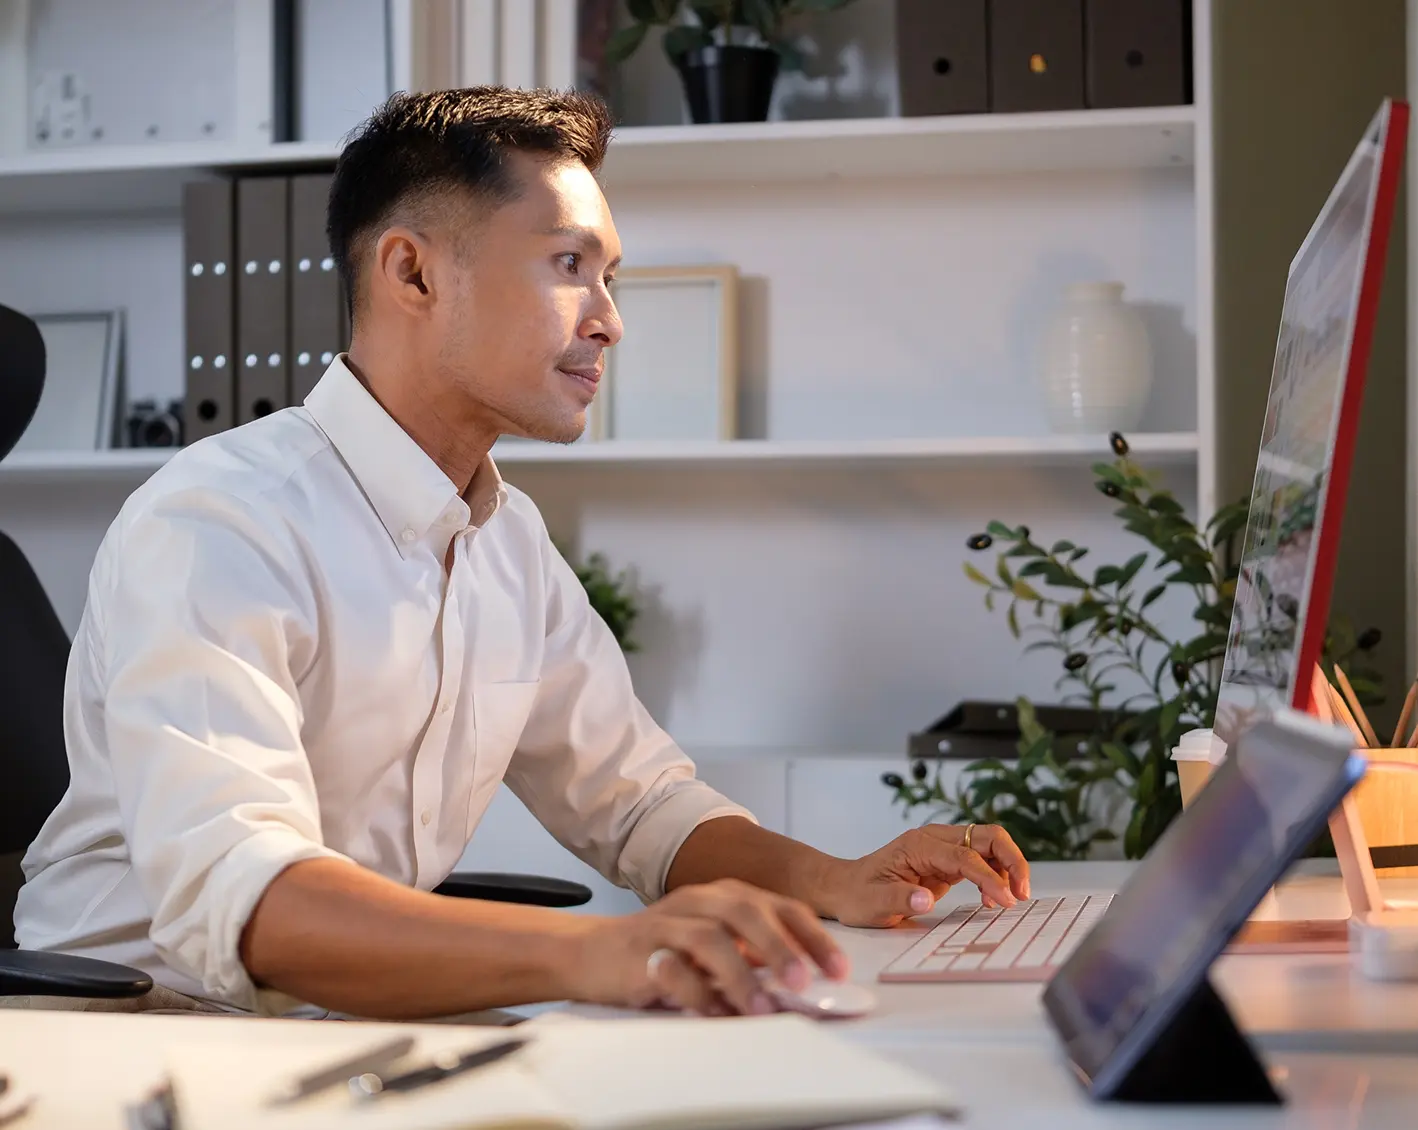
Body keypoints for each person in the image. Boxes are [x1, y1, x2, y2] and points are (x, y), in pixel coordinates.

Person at [12, 86, 1029, 1023]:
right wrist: (598, 954)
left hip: (339, 1031)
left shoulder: (506, 537)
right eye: (568, 265)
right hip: (141, 1036)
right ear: (411, 271)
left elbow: (640, 804)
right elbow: (254, 904)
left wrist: (833, 876)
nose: (610, 320)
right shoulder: (215, 523)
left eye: (608, 275)